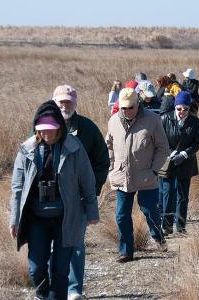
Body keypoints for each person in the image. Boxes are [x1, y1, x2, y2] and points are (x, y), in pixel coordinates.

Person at [9, 100, 99, 300]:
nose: (47, 134)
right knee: (36, 269)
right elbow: (17, 187)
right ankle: (43, 295)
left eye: (52, 130)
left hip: (65, 219)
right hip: (36, 219)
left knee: (60, 271)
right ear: (37, 129)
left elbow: (87, 181)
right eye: (43, 130)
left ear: (59, 128)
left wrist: (92, 212)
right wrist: (14, 219)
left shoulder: (74, 148)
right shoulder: (27, 150)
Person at [52, 84, 110, 300]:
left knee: (76, 242)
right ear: (54, 103)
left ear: (75, 104)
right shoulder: (43, 126)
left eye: (69, 102)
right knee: (52, 243)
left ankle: (74, 289)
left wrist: (92, 189)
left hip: (78, 198)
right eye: (61, 102)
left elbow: (103, 161)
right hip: (51, 198)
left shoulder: (87, 128)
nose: (65, 106)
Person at [106, 87, 170, 263]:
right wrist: (112, 167)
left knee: (149, 210)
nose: (127, 111)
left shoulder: (152, 119)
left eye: (130, 107)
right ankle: (126, 251)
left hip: (146, 176)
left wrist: (155, 171)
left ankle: (158, 237)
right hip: (122, 175)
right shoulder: (113, 121)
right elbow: (109, 145)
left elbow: (163, 148)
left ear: (138, 104)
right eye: (123, 108)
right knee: (121, 215)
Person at [160, 91, 199, 236]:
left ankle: (181, 226)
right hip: (168, 162)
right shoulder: (165, 118)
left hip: (186, 163)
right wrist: (172, 154)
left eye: (185, 109)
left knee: (183, 195)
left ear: (189, 108)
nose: (182, 112)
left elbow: (197, 143)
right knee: (167, 194)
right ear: (175, 106)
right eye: (179, 108)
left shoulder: (195, 121)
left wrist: (184, 154)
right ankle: (166, 226)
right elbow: (161, 141)